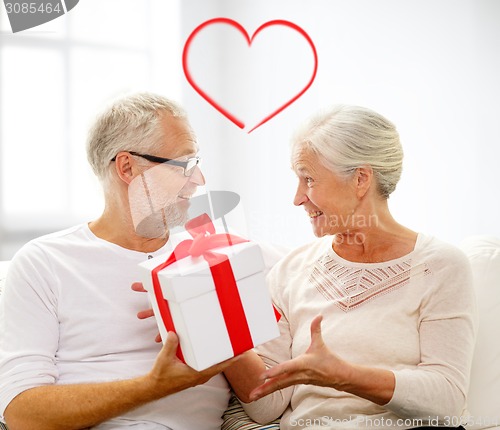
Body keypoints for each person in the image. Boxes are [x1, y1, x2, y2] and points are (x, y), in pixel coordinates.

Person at [226, 105, 477, 429]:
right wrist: (214, 329)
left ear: (360, 179)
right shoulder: (290, 271)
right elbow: (266, 405)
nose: (297, 198)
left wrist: (345, 376)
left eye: (309, 179)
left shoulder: (439, 267)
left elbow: (447, 400)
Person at [0, 92, 238, 429]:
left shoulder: (209, 255)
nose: (199, 180)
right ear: (127, 167)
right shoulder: (45, 262)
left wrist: (220, 320)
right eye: (185, 164)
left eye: (196, 164)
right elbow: (22, 414)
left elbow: (262, 399)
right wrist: (153, 387)